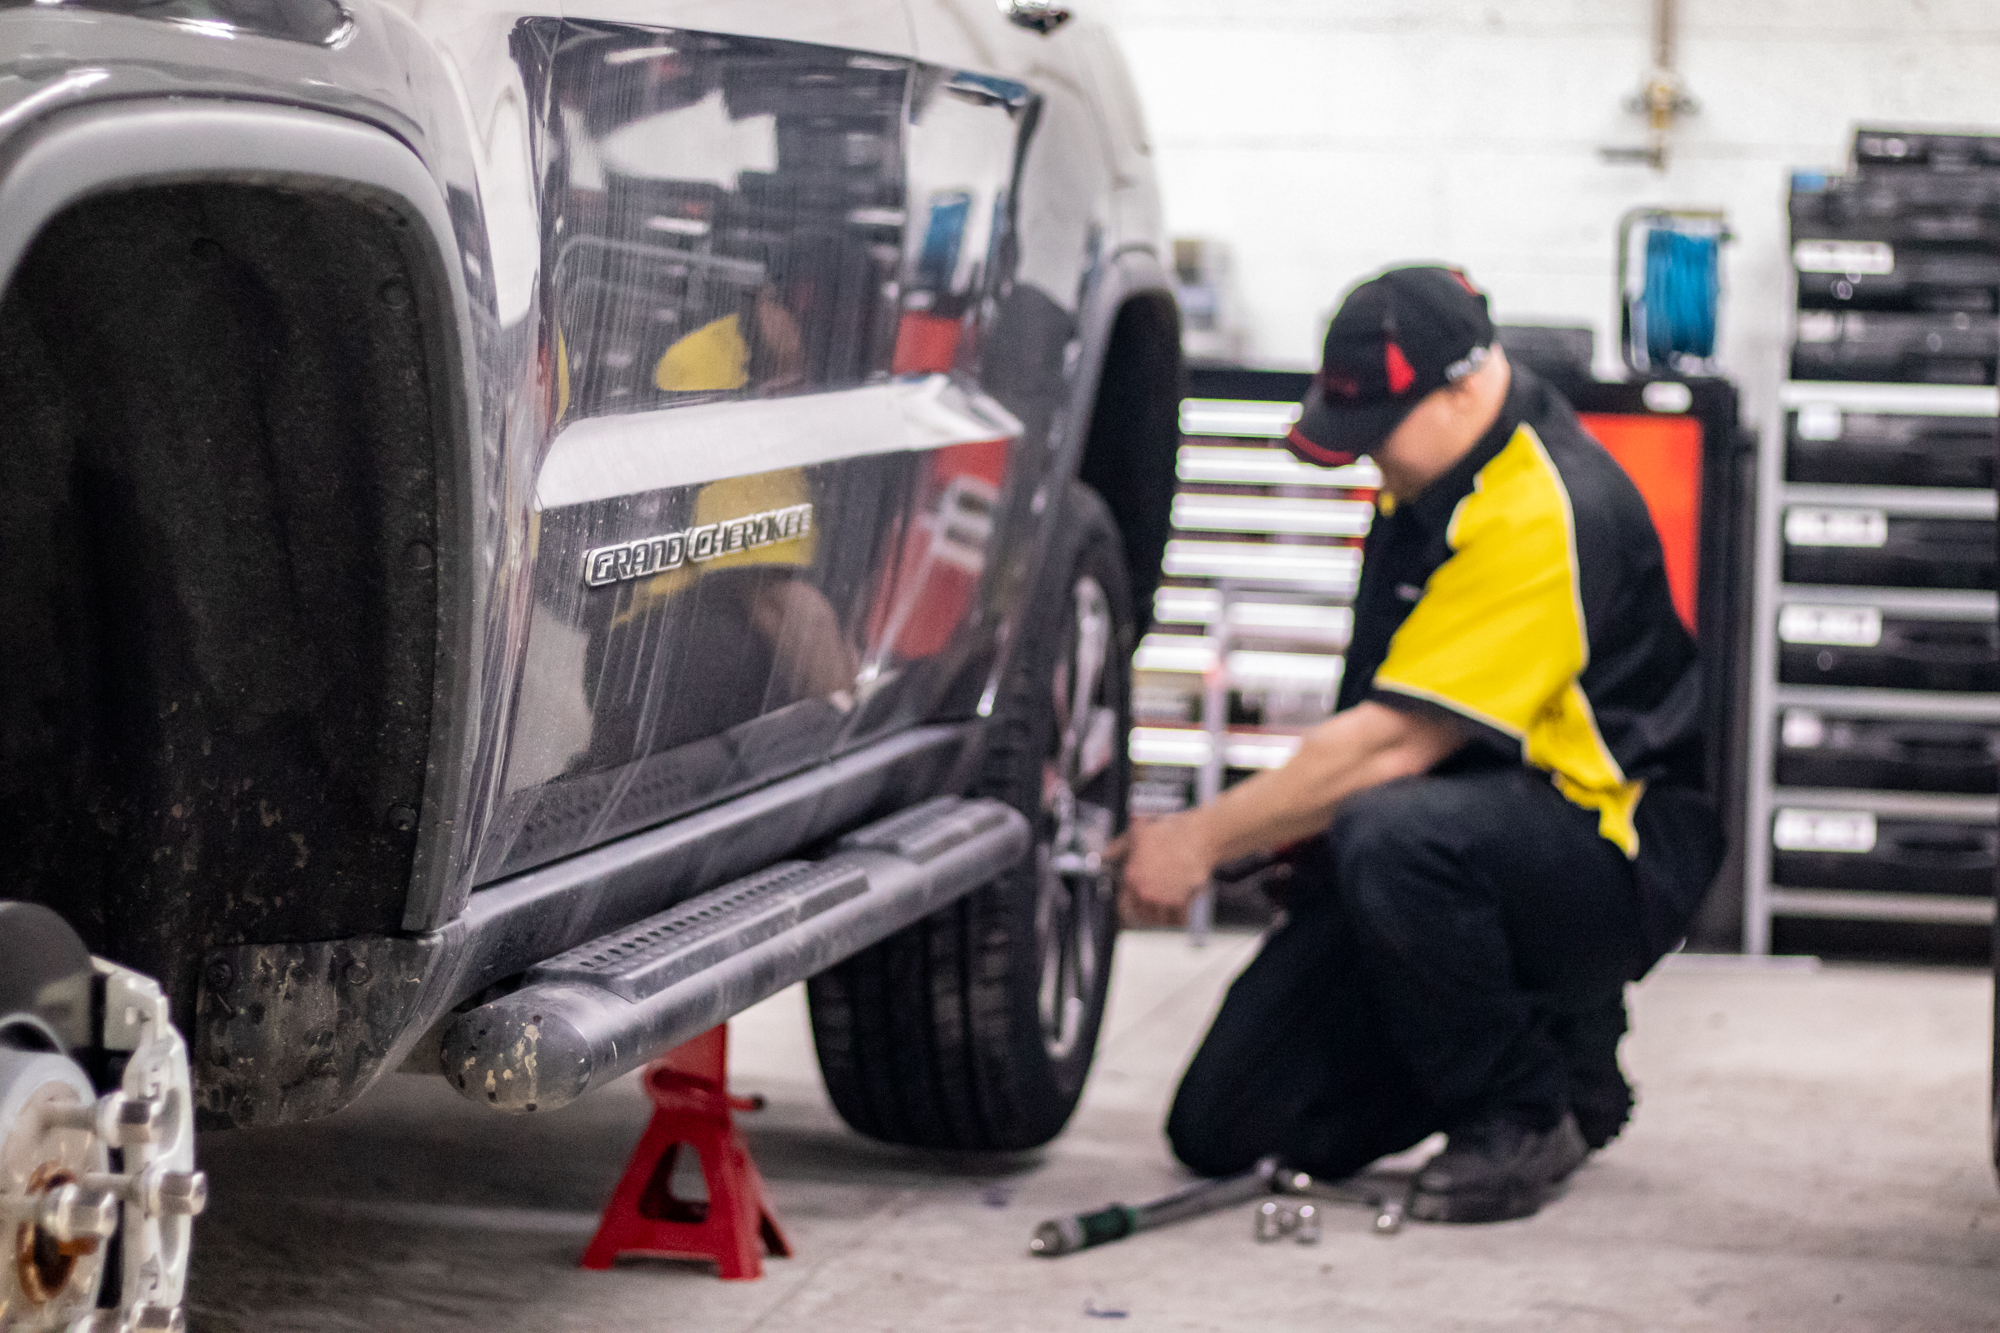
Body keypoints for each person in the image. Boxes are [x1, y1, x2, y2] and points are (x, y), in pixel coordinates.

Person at [1114, 265, 1722, 1223]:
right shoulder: (1426, 484)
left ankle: (1522, 1108)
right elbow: (1372, 707)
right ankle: (1567, 1054)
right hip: (1470, 831)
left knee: (1393, 836)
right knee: (1227, 1125)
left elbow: (1389, 746)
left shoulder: (1540, 507)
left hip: (1613, 851)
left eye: (1378, 432)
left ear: (1466, 384)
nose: (1367, 460)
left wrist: (1199, 838)